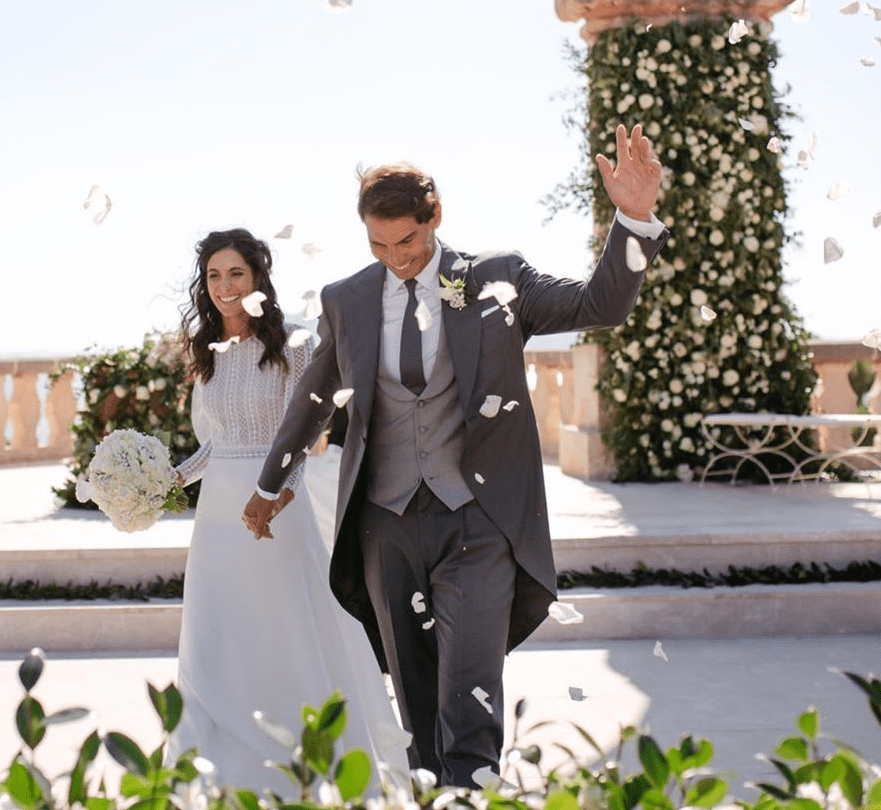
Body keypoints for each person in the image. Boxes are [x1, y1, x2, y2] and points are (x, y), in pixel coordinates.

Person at [243, 123, 669, 786]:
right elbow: (315, 397)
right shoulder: (347, 299)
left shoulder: (498, 278)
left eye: (407, 241)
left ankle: (473, 794)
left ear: (435, 216)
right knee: (415, 706)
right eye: (379, 244)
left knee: (468, 694)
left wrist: (634, 220)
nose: (397, 258)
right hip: (384, 525)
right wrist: (269, 485)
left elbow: (600, 304)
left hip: (476, 521)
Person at [167, 228, 410, 792]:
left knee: (287, 631)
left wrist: (279, 493)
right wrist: (169, 479)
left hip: (274, 507)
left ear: (258, 278)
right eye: (214, 275)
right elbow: (221, 442)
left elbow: (301, 433)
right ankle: (221, 773)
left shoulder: (293, 346)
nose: (225, 286)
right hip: (217, 517)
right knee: (215, 635)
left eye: (236, 273)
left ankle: (300, 762)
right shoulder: (207, 351)